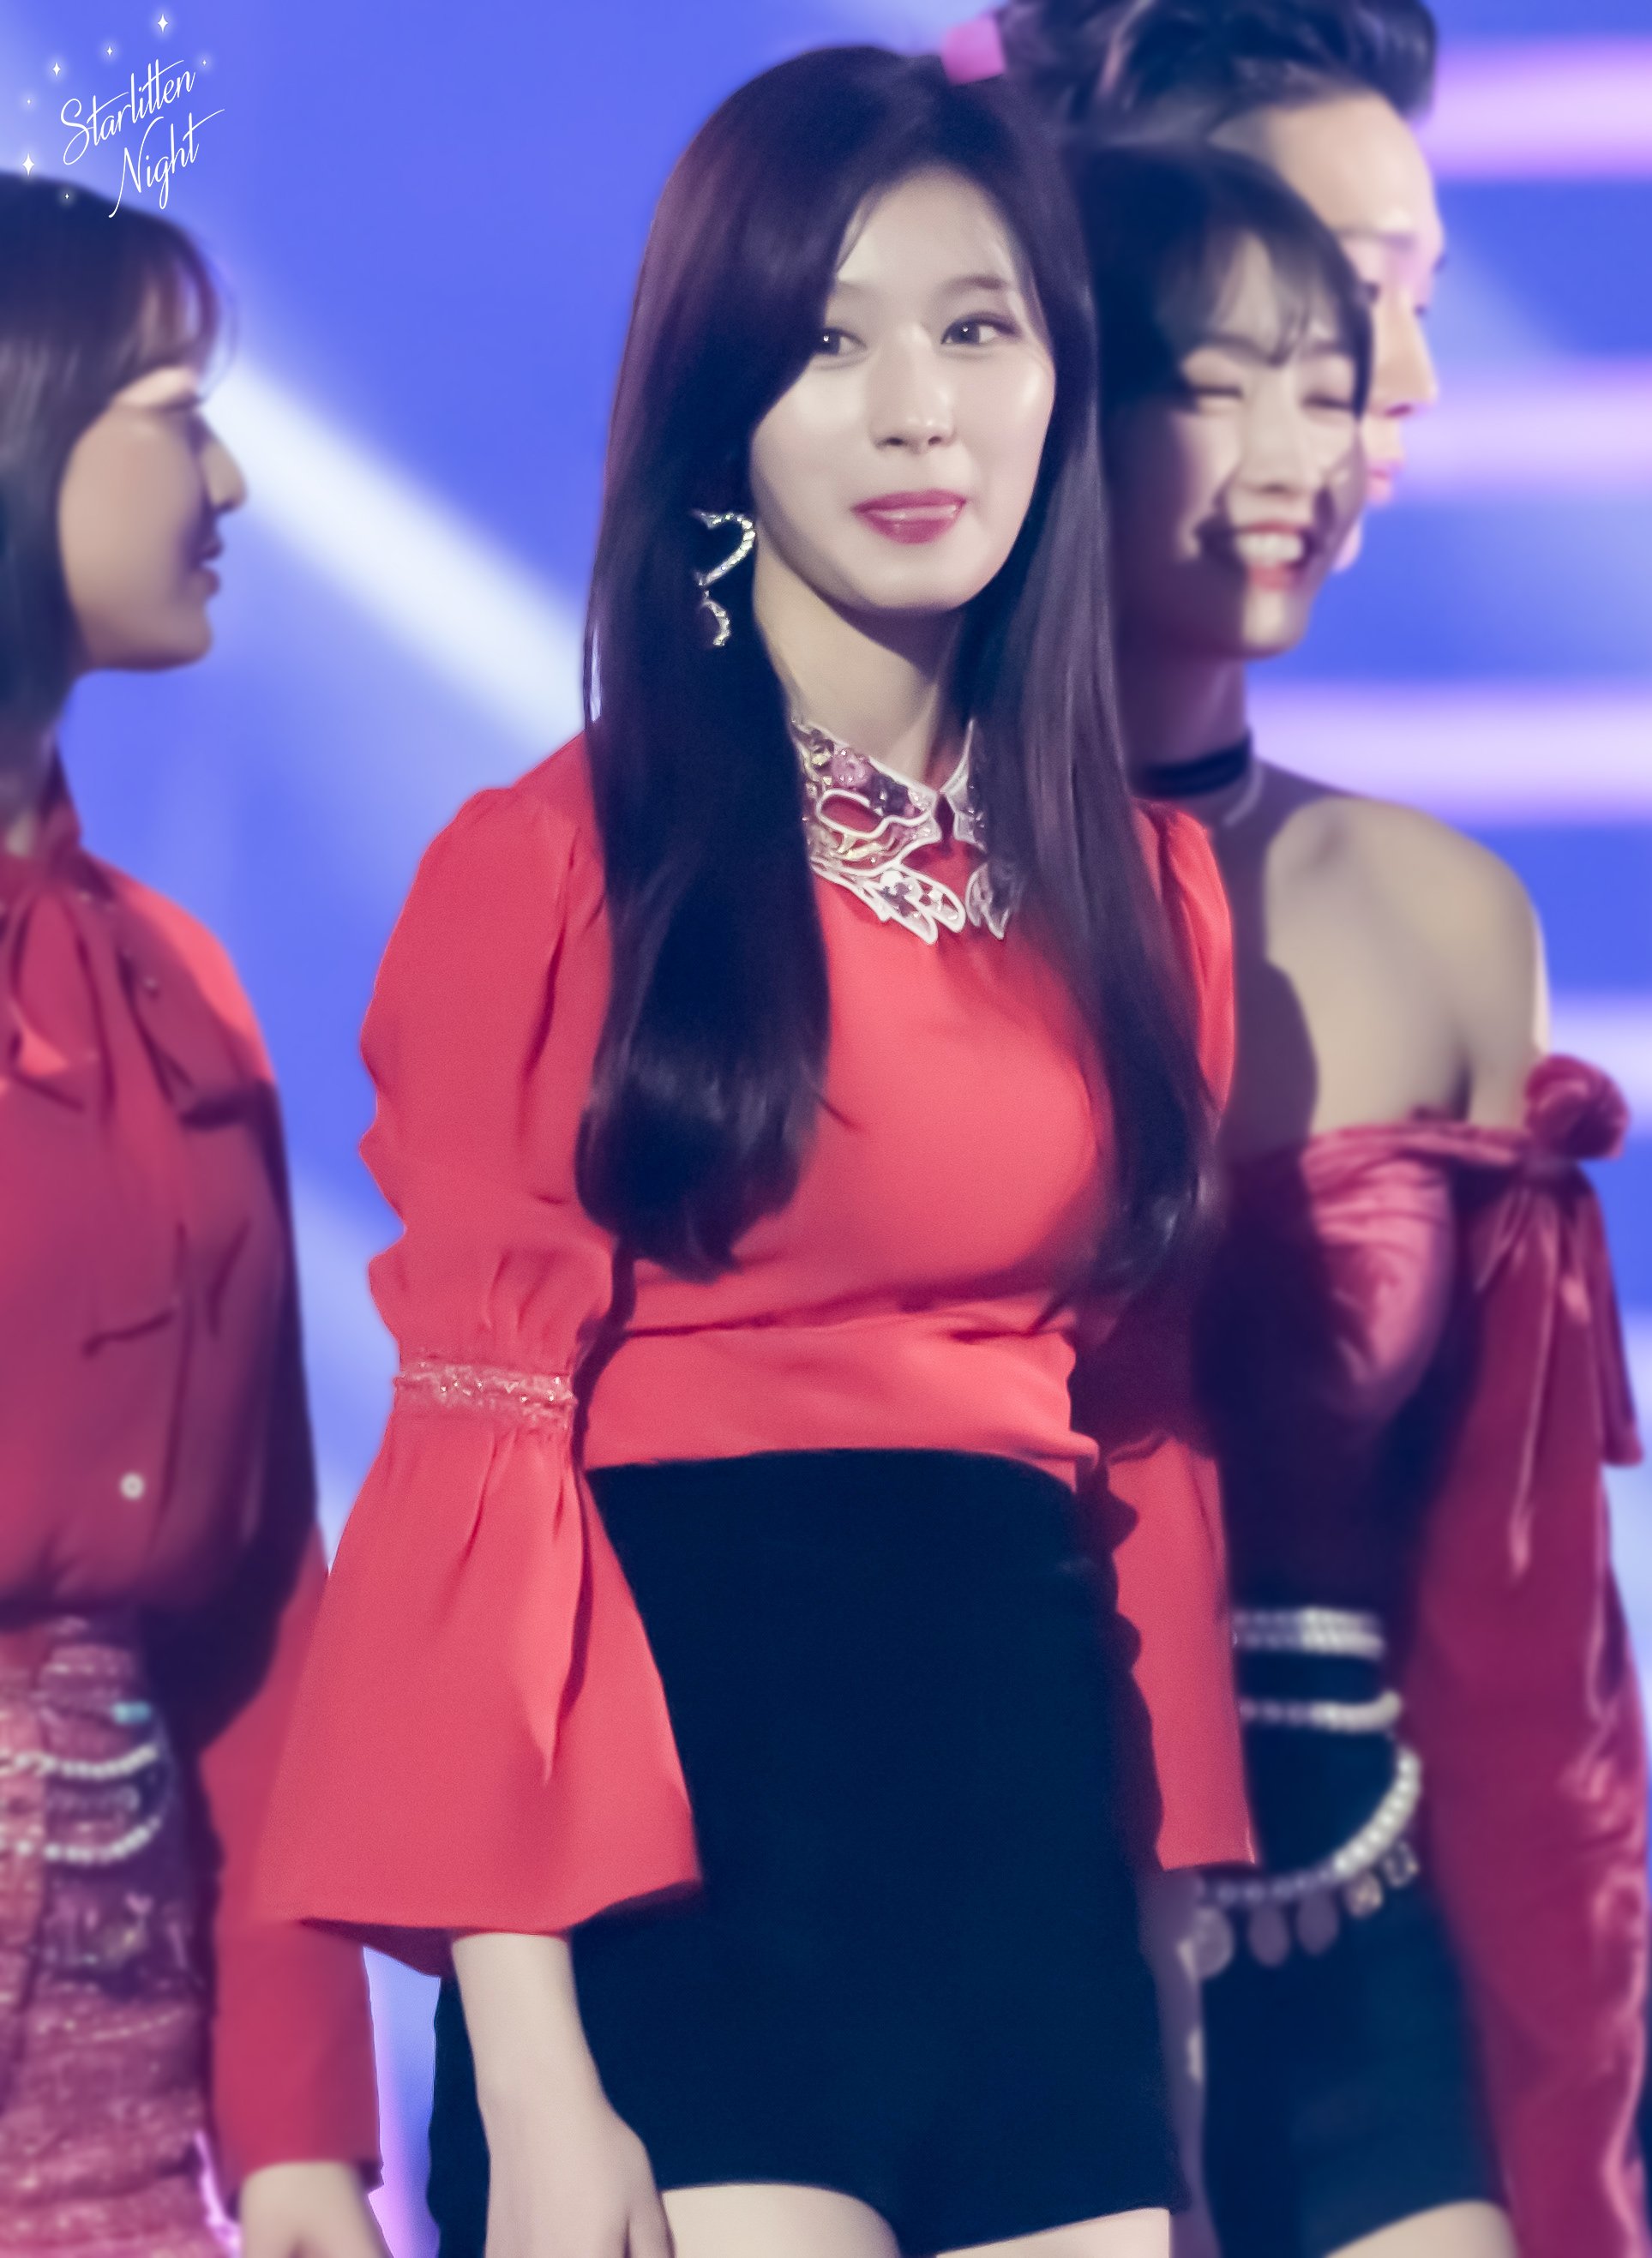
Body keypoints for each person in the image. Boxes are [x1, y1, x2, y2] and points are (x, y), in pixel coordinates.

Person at [255, 45, 1250, 2258]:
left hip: (1027, 1874)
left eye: (975, 329)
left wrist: (1166, 1946)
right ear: (718, 411)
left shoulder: (1149, 897)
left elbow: (1144, 1434)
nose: (917, 414)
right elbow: (475, 1455)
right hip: (680, 1866)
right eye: (827, 342)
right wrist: (535, 2071)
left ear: (1060, 381)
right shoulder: (562, 861)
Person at [946, 2, 1652, 2242]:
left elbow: (1524, 1627)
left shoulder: (1439, 917)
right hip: (958, 1944)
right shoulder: (842, 898)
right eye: (1297, 318)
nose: (1378, 399)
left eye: (1363, 341)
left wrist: (1586, 2138)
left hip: (1362, 1948)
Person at [0, 178, 382, 2255]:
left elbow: (257, 1617)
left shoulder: (174, 989)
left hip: (120, 2082)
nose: (226, 478)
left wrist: (302, 2135)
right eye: (170, 412)